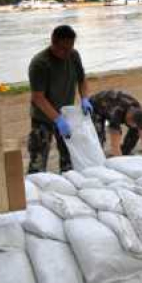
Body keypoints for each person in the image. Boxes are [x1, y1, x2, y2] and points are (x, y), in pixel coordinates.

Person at [28, 25, 91, 173]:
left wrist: (85, 99)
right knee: (38, 162)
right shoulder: (40, 64)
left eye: (70, 47)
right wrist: (57, 119)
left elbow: (82, 80)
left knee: (69, 159)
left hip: (66, 115)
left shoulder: (73, 55)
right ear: (53, 42)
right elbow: (38, 98)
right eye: (63, 48)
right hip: (43, 118)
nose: (67, 52)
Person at [89, 90, 142, 157]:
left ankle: (125, 152)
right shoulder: (116, 114)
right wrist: (120, 161)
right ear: (128, 118)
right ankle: (95, 155)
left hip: (111, 106)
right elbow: (114, 143)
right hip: (96, 107)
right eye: (131, 123)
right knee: (99, 136)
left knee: (135, 131)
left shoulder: (138, 110)